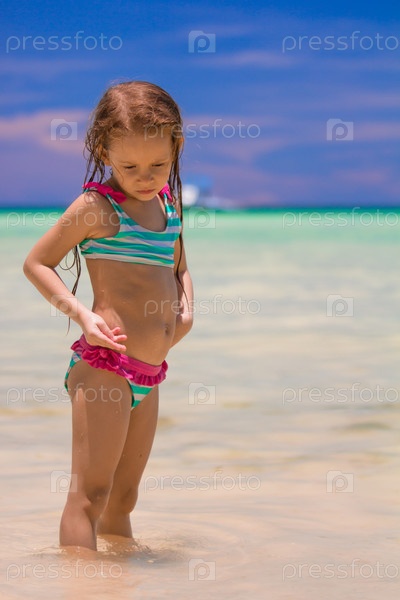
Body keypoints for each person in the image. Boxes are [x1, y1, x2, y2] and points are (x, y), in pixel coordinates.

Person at [23, 81, 193, 552]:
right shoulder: (97, 208)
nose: (145, 177)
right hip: (106, 367)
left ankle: (117, 581)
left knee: (124, 497)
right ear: (103, 151)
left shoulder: (169, 205)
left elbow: (179, 266)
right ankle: (81, 581)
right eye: (130, 166)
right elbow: (36, 263)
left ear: (176, 147)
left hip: (150, 372)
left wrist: (187, 311)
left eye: (158, 164)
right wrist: (82, 315)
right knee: (90, 495)